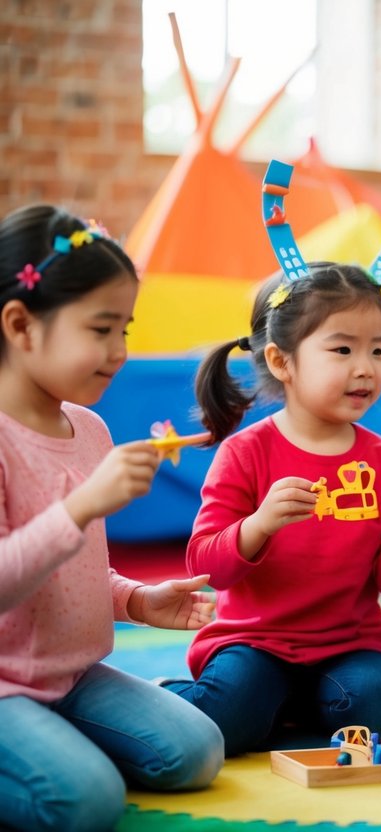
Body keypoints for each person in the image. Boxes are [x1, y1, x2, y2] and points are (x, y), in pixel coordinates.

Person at [0, 205, 224, 831]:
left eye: (126, 328)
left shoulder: (90, 428)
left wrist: (136, 600)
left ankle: (48, 743)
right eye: (101, 329)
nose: (120, 351)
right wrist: (79, 507)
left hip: (70, 675)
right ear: (20, 324)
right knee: (88, 803)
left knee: (197, 752)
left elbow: (69, 571)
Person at [163, 262, 381, 756]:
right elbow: (206, 564)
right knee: (227, 721)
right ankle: (172, 699)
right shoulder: (245, 453)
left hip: (351, 645)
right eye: (342, 349)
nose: (365, 367)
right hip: (254, 642)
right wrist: (258, 526)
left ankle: (292, 705)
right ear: (281, 361)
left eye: (378, 350)